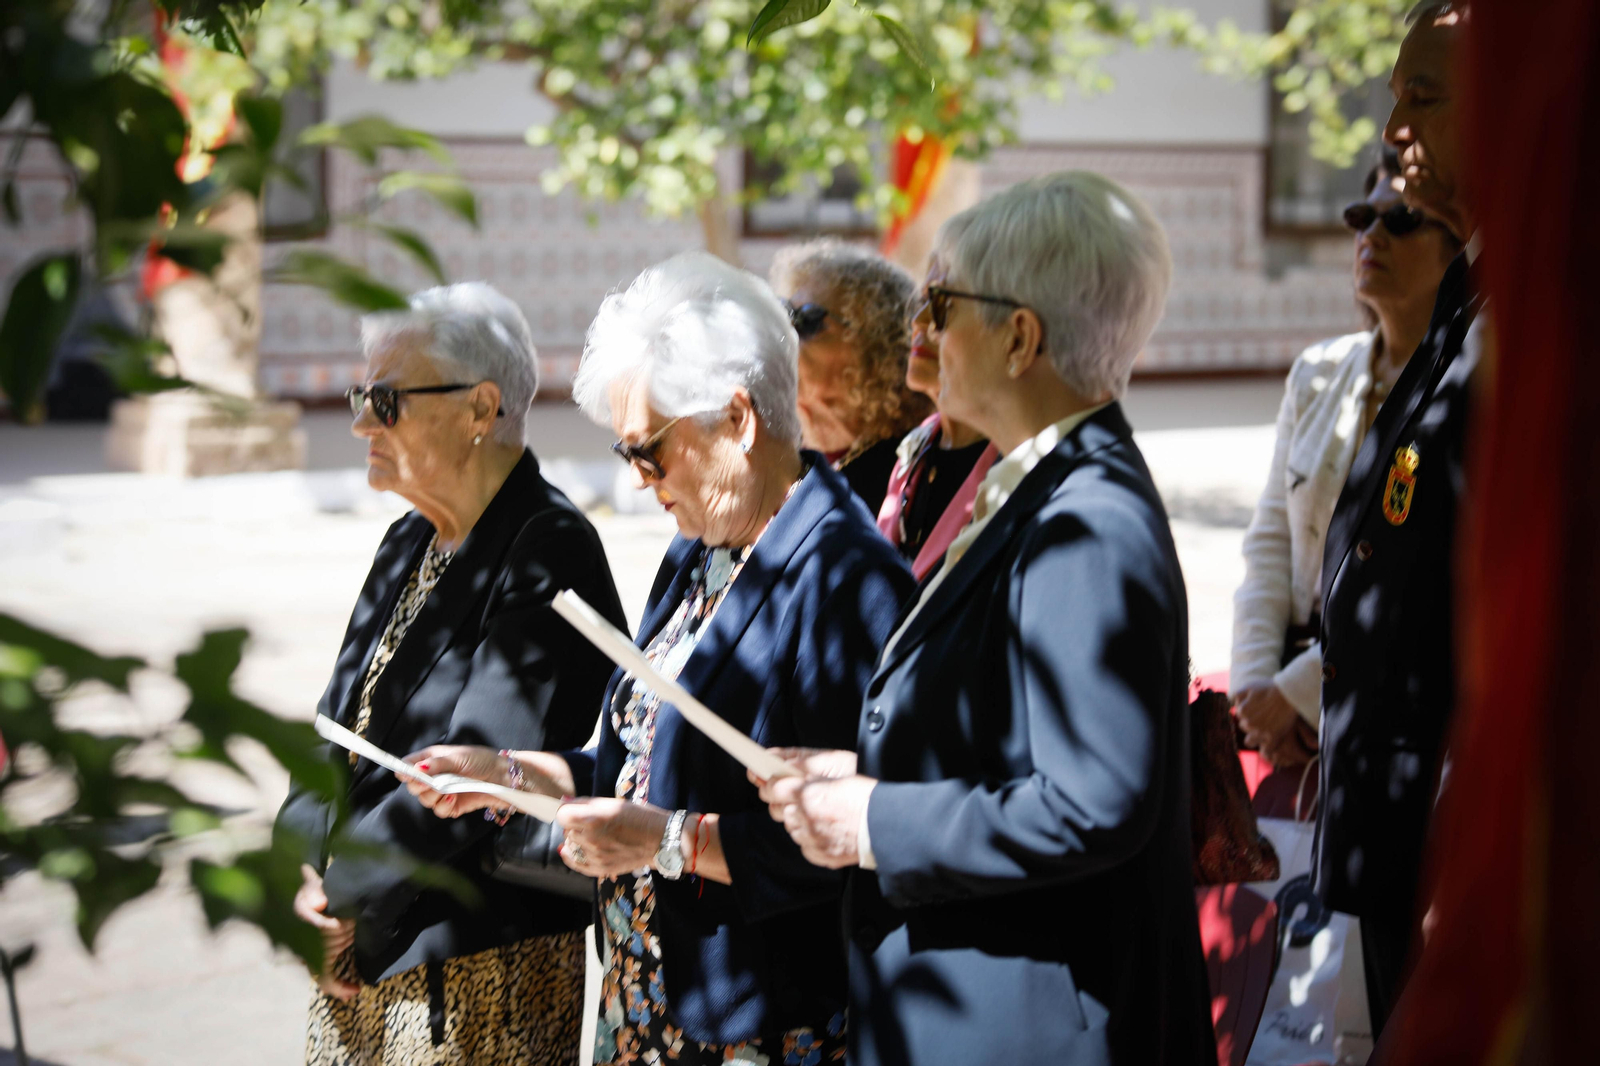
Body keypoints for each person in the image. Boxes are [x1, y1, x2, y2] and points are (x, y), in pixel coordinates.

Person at [401, 252, 914, 1066]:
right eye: (626, 455)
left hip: (758, 1032)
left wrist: (665, 843)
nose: (640, 481)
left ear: (738, 421)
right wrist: (500, 775)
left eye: (650, 451)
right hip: (643, 1008)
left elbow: (844, 847)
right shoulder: (700, 553)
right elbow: (628, 764)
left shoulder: (848, 580)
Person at [757, 173, 1216, 1065]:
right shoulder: (1039, 482)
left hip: (1037, 1026)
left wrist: (875, 820)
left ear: (1019, 337)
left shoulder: (1089, 520)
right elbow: (1006, 745)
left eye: (940, 303)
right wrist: (862, 774)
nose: (919, 332)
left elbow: (1091, 805)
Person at [275, 282, 627, 1064]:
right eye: (362, 395)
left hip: (471, 971)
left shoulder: (548, 546)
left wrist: (335, 895)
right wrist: (298, 873)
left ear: (480, 409)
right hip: (360, 940)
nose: (362, 421)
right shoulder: (410, 540)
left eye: (388, 399)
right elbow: (332, 732)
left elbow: (471, 783)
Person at [1316, 0, 1486, 1036]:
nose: (1391, 130)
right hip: (1394, 834)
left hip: (1460, 849)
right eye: (1391, 98)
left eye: (1422, 95)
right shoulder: (1471, 298)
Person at [1231, 147, 1461, 768]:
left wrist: (1300, 693)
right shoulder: (1317, 372)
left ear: (1458, 247)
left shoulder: (1465, 391)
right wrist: (1255, 688)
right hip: (1287, 720)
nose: (1371, 236)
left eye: (1401, 220)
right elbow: (1271, 537)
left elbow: (1415, 577)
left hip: (1399, 716)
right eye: (1363, 217)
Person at [769, 240, 933, 514]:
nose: (785, 330)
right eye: (783, 311)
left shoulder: (907, 474)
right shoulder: (780, 458)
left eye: (807, 319)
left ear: (875, 348)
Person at [875, 254, 1001, 579]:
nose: (919, 321)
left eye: (942, 303)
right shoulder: (918, 444)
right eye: (921, 301)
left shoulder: (1013, 461)